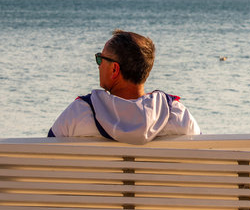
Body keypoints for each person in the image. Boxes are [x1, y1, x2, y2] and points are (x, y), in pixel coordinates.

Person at [48, 29, 201, 144]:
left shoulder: (79, 113)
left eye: (100, 59)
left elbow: (46, 159)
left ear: (114, 69)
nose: (98, 66)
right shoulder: (176, 115)